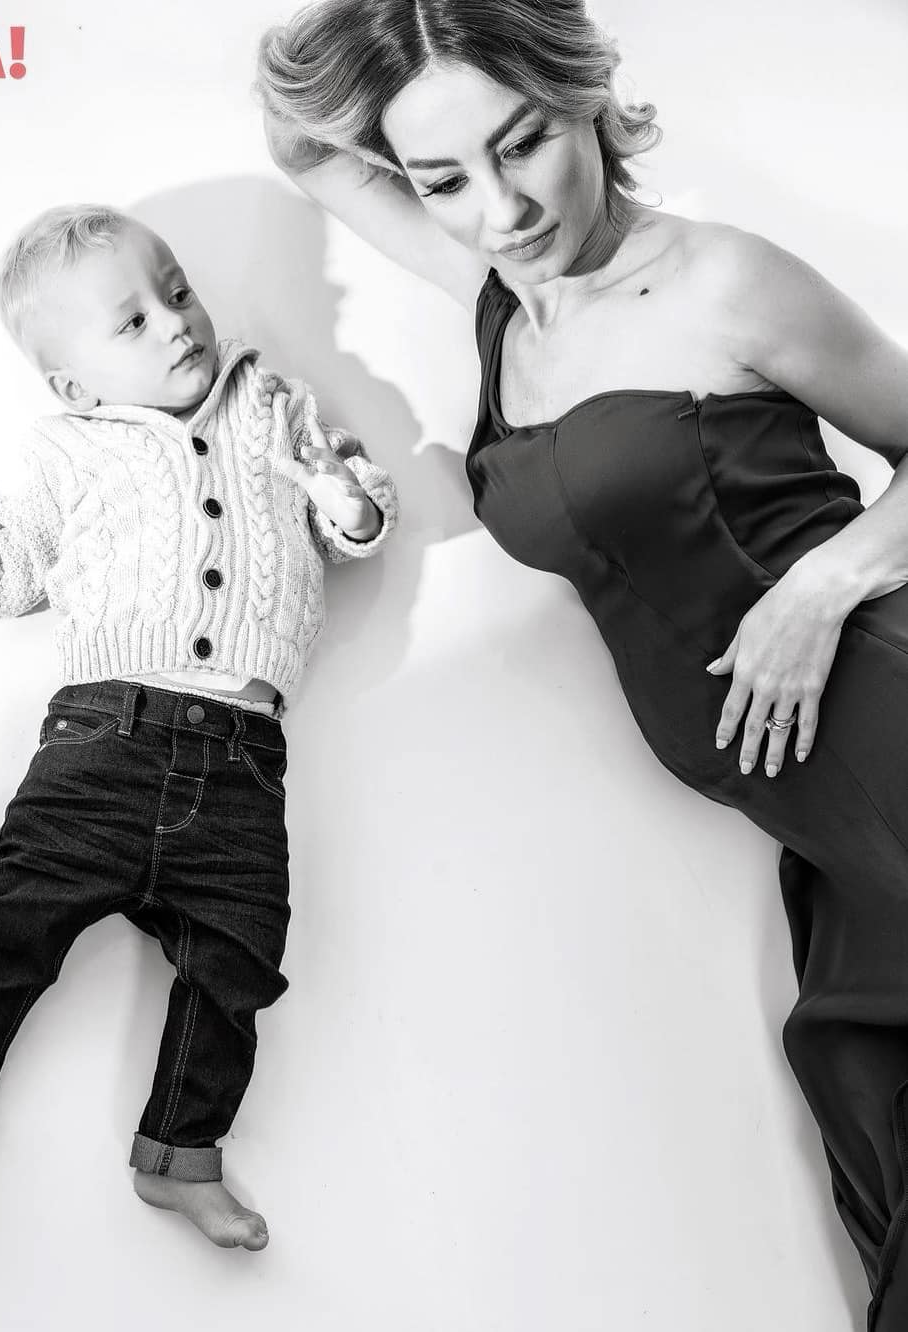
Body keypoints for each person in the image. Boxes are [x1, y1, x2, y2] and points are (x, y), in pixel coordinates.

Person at [256, 0, 908, 1323]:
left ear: (585, 99)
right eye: (442, 178)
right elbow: (302, 143)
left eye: (523, 144)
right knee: (873, 1115)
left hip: (886, 725)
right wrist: (397, 36)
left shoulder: (721, 281)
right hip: (823, 822)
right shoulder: (504, 297)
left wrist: (821, 585)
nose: (499, 208)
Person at [0, 203, 398, 1250]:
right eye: (132, 322)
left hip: (243, 758)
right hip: (101, 741)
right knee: (13, 924)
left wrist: (341, 493)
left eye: (177, 292)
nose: (176, 321)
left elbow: (356, 520)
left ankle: (181, 1157)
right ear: (73, 386)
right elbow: (6, 576)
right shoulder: (68, 451)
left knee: (239, 963)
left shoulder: (274, 405)